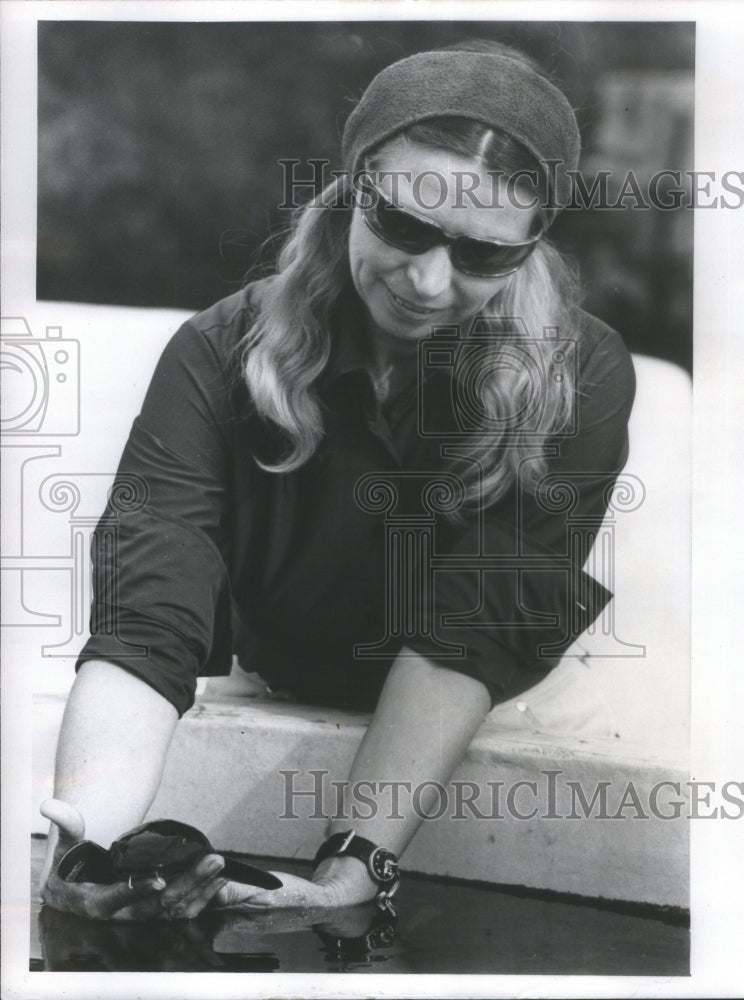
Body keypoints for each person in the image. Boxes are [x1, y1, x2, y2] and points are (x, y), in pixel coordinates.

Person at [39, 40, 635, 921]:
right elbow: (148, 613)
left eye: (483, 257)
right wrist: (85, 850)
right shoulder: (216, 350)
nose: (429, 282)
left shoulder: (580, 371)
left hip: (482, 684)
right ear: (351, 188)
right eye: (401, 225)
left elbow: (470, 632)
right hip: (282, 657)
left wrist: (351, 871)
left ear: (532, 245)